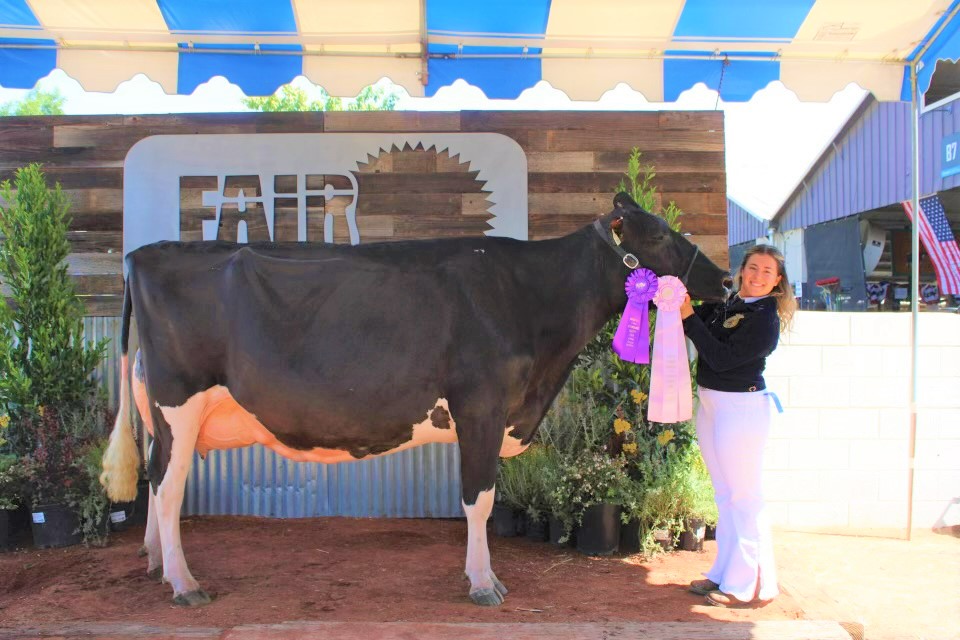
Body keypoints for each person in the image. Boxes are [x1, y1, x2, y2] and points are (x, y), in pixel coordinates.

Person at [678, 243, 796, 608]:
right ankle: (724, 571)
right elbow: (689, 313)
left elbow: (721, 357)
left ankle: (745, 585)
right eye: (753, 268)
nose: (758, 276)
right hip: (712, 403)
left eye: (767, 272)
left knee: (744, 497)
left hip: (740, 408)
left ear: (777, 282)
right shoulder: (727, 303)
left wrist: (688, 318)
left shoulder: (765, 319)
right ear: (743, 270)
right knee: (724, 495)